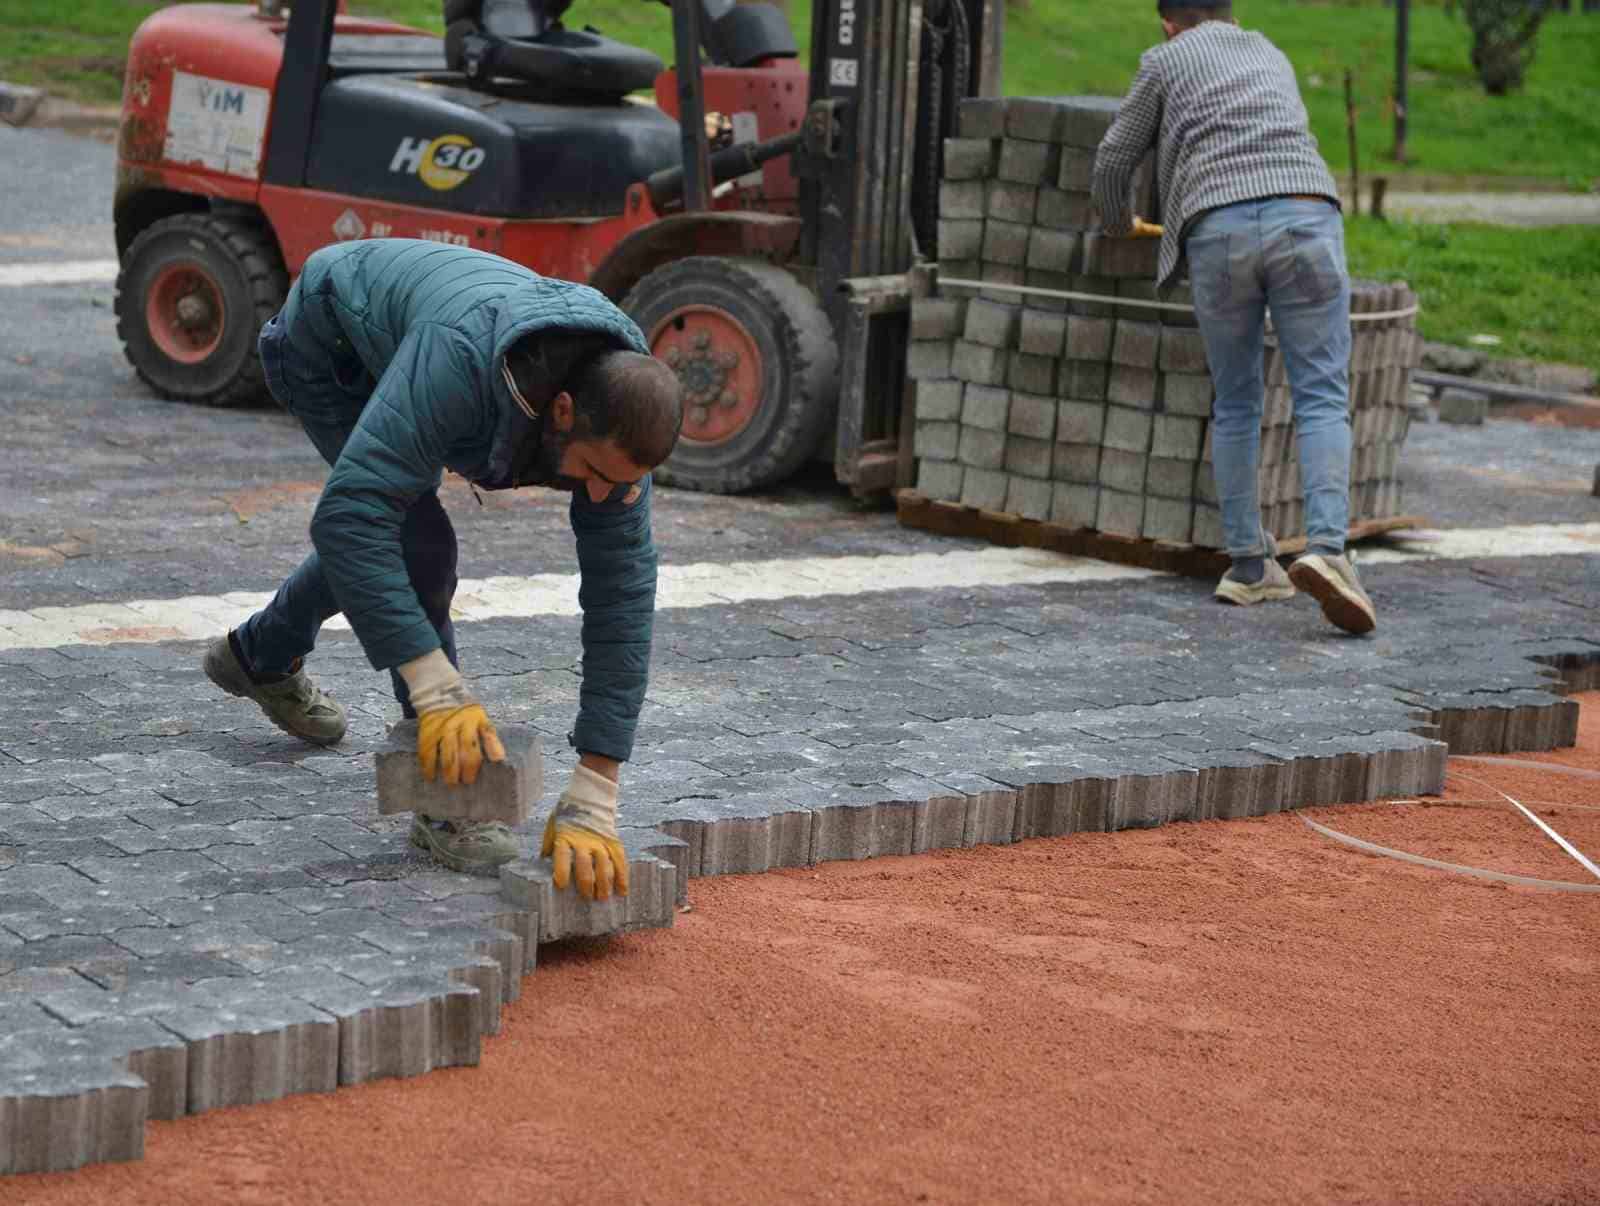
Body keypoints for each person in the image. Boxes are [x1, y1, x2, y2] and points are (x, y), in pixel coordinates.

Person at [203, 239, 684, 893]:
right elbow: (350, 518)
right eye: (594, 474)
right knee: (417, 545)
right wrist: (435, 688)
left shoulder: (622, 411)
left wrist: (598, 783)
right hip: (334, 343)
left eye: (619, 483)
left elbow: (623, 590)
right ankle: (446, 801)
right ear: (564, 412)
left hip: (428, 344)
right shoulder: (458, 361)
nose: (602, 495)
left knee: (398, 537)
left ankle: (259, 655)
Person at [1091, 0, 1377, 635]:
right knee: (1323, 394)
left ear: (1169, 21)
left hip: (1218, 229)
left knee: (1237, 401)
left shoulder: (1164, 60)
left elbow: (1114, 158)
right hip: (1306, 214)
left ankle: (1250, 566)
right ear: (1231, 14)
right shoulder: (1270, 52)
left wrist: (1116, 223)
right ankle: (1330, 551)